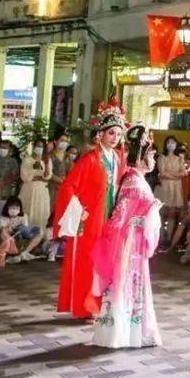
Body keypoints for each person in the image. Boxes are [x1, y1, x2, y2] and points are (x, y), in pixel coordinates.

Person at [53, 99, 128, 320]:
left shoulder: (118, 158)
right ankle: (87, 306)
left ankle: (103, 304)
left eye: (118, 134)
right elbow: (68, 186)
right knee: (90, 262)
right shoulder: (90, 159)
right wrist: (79, 210)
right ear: (101, 134)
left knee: (108, 262)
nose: (114, 138)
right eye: (111, 133)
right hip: (91, 219)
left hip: (111, 218)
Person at [90, 125, 163, 348]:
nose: (154, 160)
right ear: (141, 156)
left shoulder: (134, 179)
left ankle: (131, 332)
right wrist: (151, 213)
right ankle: (124, 333)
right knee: (128, 284)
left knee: (131, 284)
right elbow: (122, 218)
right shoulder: (134, 182)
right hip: (130, 244)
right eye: (151, 155)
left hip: (133, 243)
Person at [0, 196, 44, 263]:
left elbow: (25, 230)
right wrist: (5, 230)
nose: (15, 209)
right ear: (7, 207)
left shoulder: (23, 216)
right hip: (8, 238)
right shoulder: (1, 219)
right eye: (12, 207)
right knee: (6, 232)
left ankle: (25, 252)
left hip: (22, 235)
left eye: (17, 207)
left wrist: (18, 229)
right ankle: (12, 254)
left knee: (39, 230)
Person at [156, 135, 186, 247]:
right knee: (162, 213)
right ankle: (161, 236)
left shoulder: (180, 158)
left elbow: (183, 173)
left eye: (173, 142)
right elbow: (162, 173)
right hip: (165, 187)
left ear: (176, 144)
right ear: (165, 145)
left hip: (176, 188)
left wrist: (170, 174)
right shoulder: (162, 157)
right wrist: (176, 176)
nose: (170, 144)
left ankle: (169, 238)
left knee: (172, 214)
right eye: (168, 142)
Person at [20, 138, 52, 230]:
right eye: (38, 146)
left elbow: (47, 176)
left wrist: (46, 164)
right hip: (29, 189)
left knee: (40, 212)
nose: (39, 148)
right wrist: (34, 171)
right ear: (34, 146)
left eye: (42, 146)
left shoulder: (46, 160)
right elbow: (24, 177)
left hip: (42, 190)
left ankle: (40, 234)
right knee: (28, 210)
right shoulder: (27, 159)